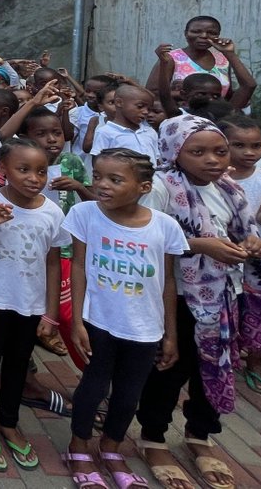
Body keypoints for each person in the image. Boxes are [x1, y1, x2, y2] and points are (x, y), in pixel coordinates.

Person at [135, 116, 261, 489]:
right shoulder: (162, 187)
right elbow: (147, 239)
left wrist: (252, 244)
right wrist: (200, 245)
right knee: (169, 368)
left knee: (213, 367)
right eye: (197, 152)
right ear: (174, 152)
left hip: (224, 295)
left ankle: (200, 433)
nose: (212, 160)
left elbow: (241, 233)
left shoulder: (230, 189)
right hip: (179, 296)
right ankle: (153, 437)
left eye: (219, 151)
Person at [62, 149, 187, 488]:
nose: (102, 185)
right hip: (100, 320)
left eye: (115, 179)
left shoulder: (165, 227)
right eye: (98, 177)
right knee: (93, 386)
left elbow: (168, 282)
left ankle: (111, 447)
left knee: (129, 393)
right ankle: (78, 446)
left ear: (144, 187)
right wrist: (77, 321)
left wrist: (170, 334)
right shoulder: (84, 214)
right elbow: (77, 266)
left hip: (145, 328)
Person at [0, 138, 68, 473]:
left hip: (30, 305)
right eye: (23, 169)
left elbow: (53, 263)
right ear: (3, 169)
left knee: (18, 365)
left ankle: (9, 422)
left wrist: (50, 314)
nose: (33, 178)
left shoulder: (52, 212)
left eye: (41, 171)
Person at [219, 115, 261, 392]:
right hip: (222, 251)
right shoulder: (215, 176)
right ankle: (222, 356)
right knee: (225, 308)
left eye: (257, 145)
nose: (249, 152)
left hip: (259, 256)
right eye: (239, 145)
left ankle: (255, 362)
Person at [145, 16, 256, 102]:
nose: (204, 36)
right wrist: (188, 95)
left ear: (218, 35)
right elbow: (153, 92)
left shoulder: (223, 59)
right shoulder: (171, 58)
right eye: (196, 31)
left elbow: (229, 93)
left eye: (211, 33)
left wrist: (229, 53)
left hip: (215, 117)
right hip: (180, 115)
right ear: (186, 33)